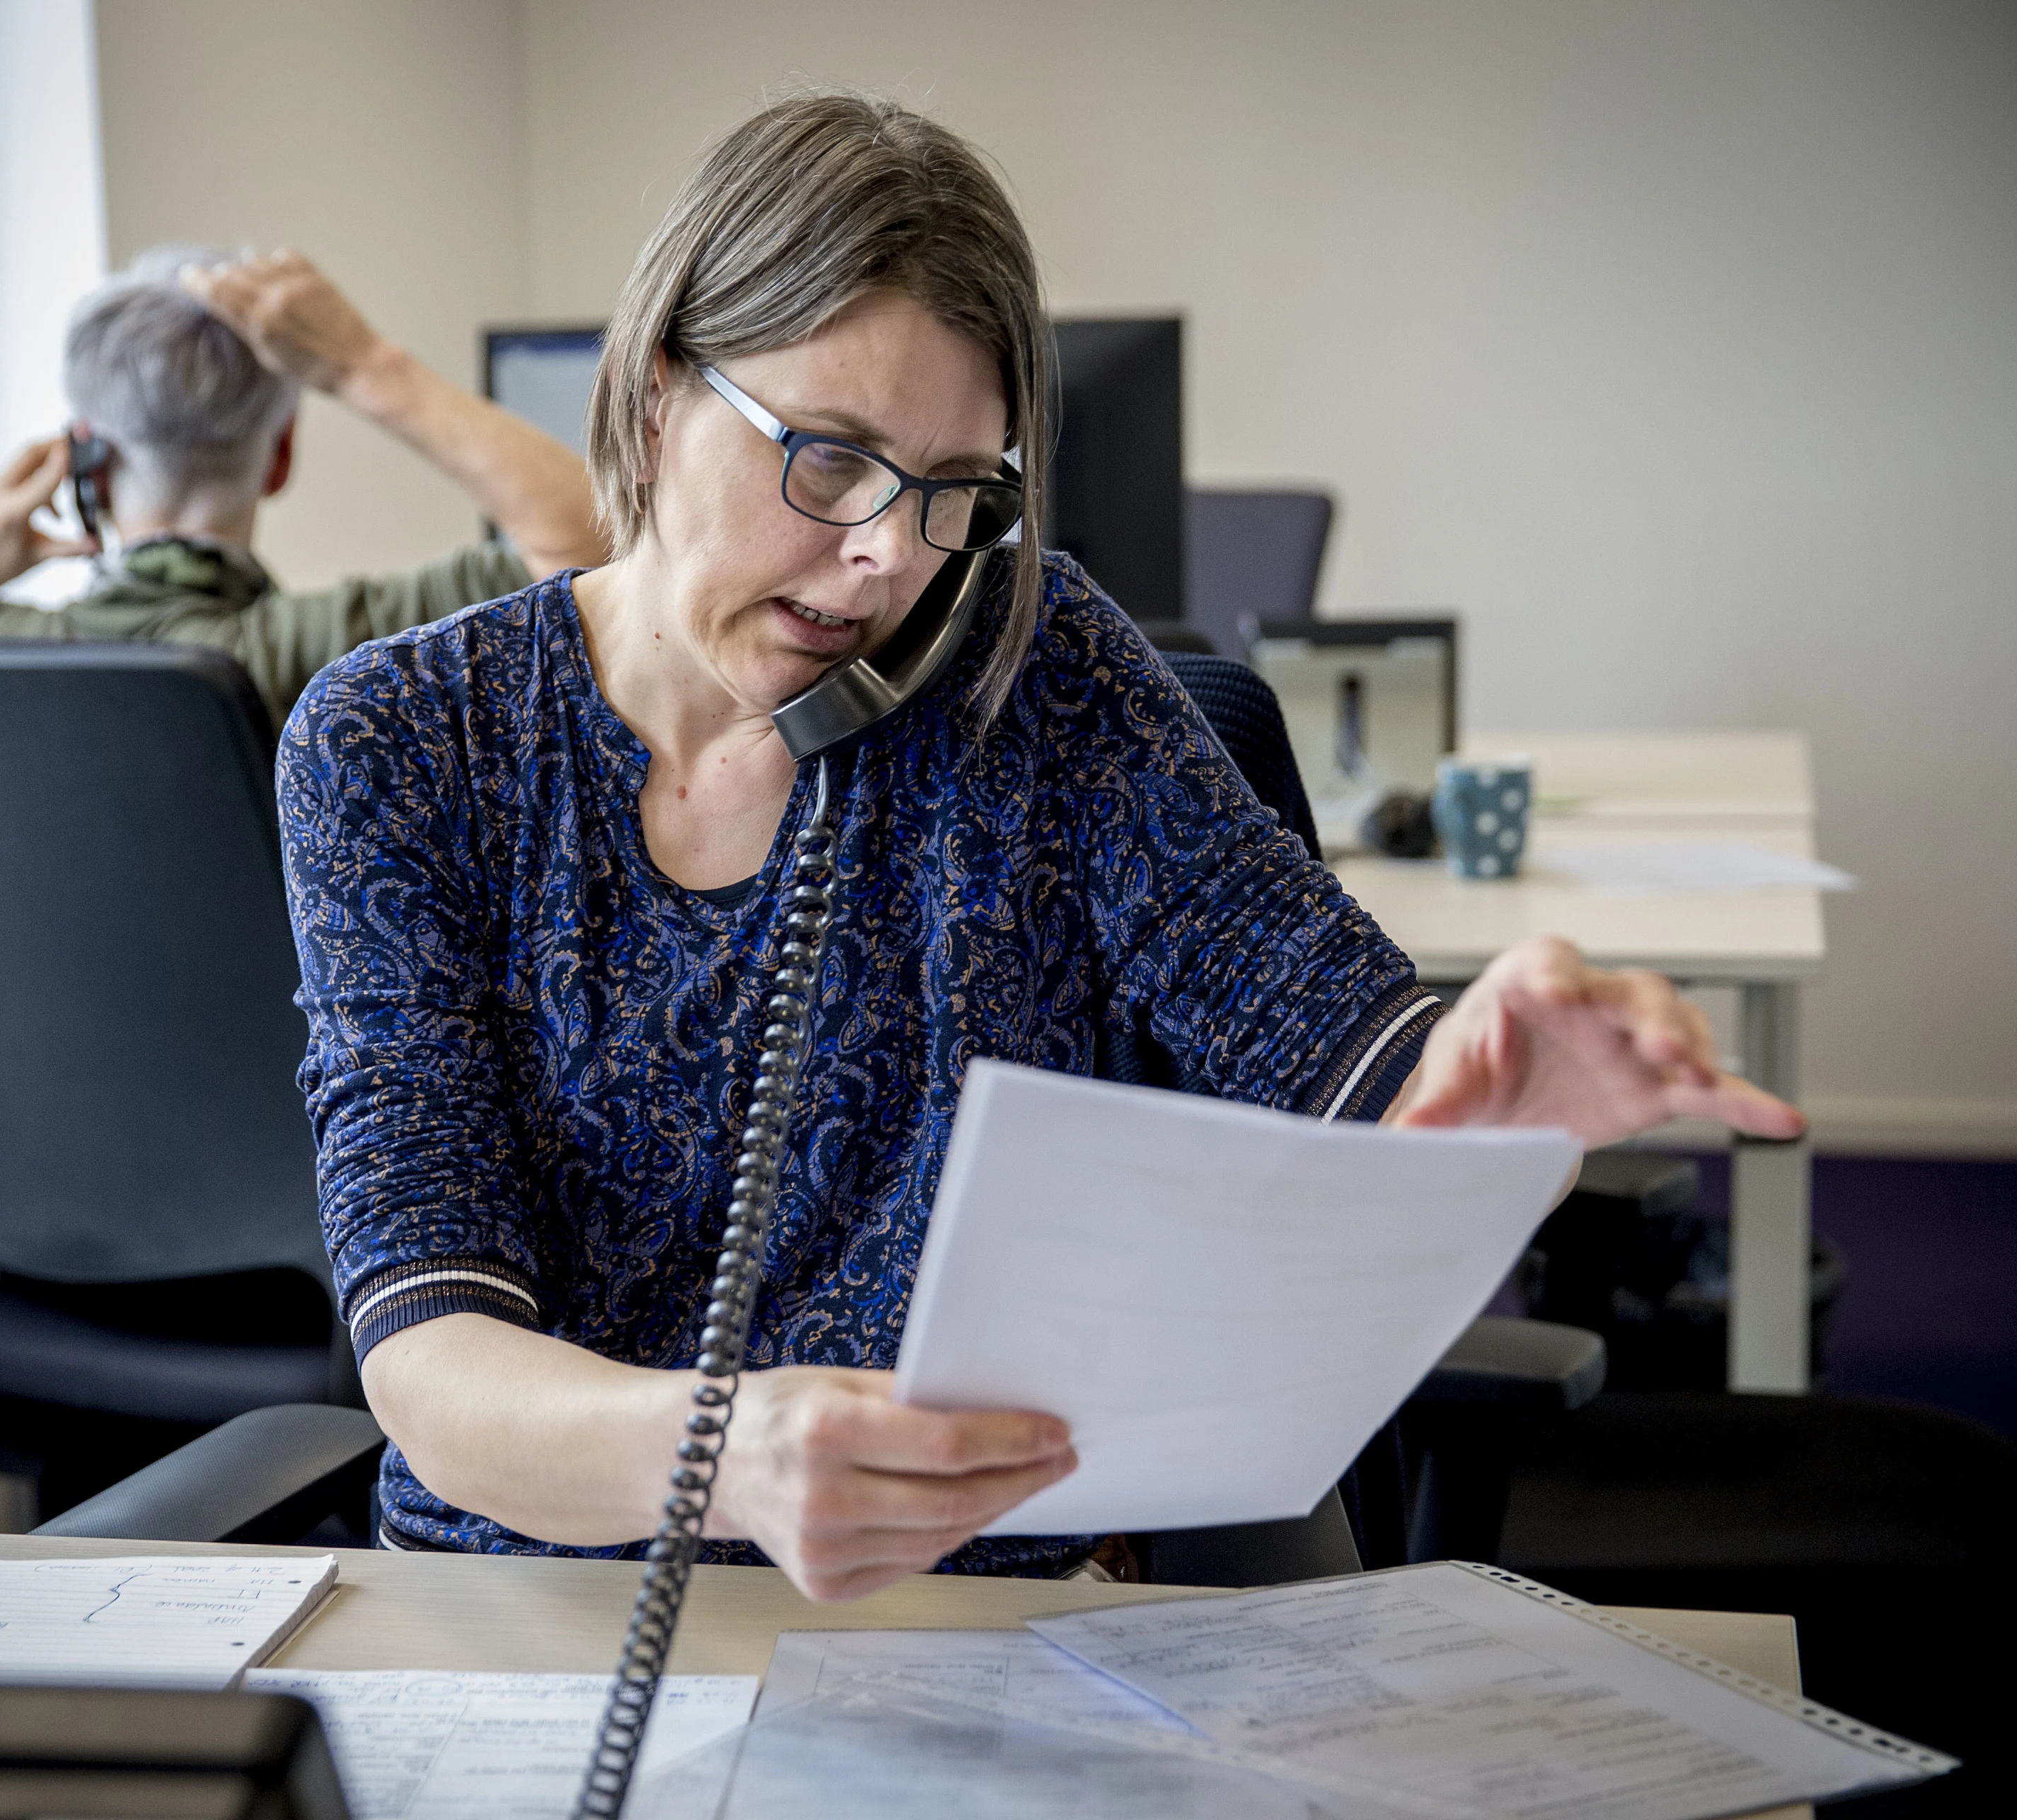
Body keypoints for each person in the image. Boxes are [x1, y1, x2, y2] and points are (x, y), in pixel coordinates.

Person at [277, 92, 1806, 1603]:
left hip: (973, 1610)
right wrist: (732, 1456)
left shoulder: (1036, 668)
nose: (886, 555)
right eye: (830, 460)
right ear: (658, 393)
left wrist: (1497, 1093)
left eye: (956, 492)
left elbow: (1348, 1047)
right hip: (529, 1605)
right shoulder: (401, 739)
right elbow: (431, 1353)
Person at [0, 246, 601, 785]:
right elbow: (596, 543)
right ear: (282, 456)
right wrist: (365, 365)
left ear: (84, 457)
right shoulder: (321, 658)